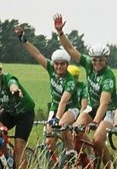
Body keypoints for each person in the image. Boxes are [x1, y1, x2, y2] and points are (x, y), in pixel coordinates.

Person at [55, 14, 116, 167]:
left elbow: (104, 103)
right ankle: (89, 157)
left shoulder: (108, 76)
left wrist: (95, 122)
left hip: (108, 110)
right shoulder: (88, 65)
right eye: (94, 60)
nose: (97, 63)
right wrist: (60, 33)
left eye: (100, 60)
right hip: (92, 108)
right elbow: (69, 49)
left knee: (97, 140)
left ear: (106, 60)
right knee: (76, 129)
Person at [17, 27, 81, 155]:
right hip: (55, 106)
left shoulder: (70, 81)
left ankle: (71, 155)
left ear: (67, 65)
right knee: (48, 141)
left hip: (71, 108)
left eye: (62, 64)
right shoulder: (51, 69)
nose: (58, 66)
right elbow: (37, 54)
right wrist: (23, 40)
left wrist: (57, 118)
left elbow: (63, 101)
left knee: (62, 126)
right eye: (56, 64)